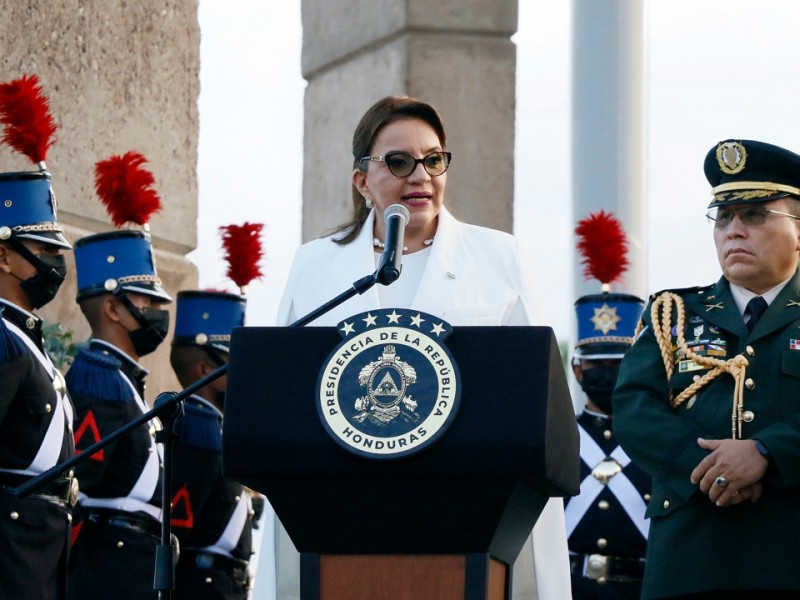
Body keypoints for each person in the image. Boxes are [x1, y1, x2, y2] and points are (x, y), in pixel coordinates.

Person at [273, 95, 572, 599]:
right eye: (398, 162)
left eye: (434, 160)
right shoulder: (316, 264)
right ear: (361, 180)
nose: (421, 176)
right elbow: (281, 393)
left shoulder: (498, 256)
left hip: (470, 515)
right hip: (339, 513)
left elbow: (536, 400)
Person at [612, 138, 800, 599]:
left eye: (754, 215)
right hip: (691, 556)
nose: (733, 230)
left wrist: (766, 453)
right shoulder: (671, 312)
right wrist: (709, 468)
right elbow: (634, 411)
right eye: (723, 217)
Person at [66, 152, 172, 599]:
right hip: (109, 560)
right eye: (145, 303)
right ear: (112, 307)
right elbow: (84, 481)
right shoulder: (99, 380)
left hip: (132, 559)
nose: (156, 313)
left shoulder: (125, 381)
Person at [0, 74, 76, 600]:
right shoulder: (4, 340)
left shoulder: (25, 341)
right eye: (42, 251)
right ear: (4, 254)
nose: (56, 263)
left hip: (37, 543)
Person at [565, 212, 650, 599]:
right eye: (596, 365)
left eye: (617, 365)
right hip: (569, 587)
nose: (606, 374)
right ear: (577, 369)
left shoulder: (659, 438)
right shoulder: (559, 438)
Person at [169, 289, 258, 599]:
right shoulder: (197, 427)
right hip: (200, 585)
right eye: (233, 362)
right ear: (204, 369)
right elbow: (178, 524)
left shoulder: (215, 427)